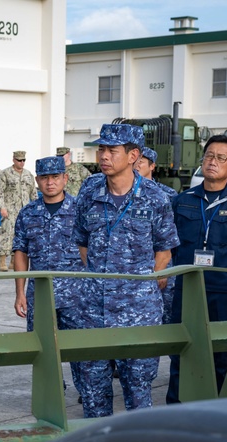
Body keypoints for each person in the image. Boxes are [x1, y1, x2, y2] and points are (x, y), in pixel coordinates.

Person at [73, 123, 179, 418]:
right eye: (101, 149)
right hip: (94, 311)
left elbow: (164, 251)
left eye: (112, 150)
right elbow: (82, 242)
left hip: (139, 313)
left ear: (133, 156)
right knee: (93, 394)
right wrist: (100, 280)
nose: (104, 156)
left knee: (138, 392)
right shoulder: (89, 191)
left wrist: (140, 288)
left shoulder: (155, 197)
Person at [166, 134, 227, 404]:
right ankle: (177, 412)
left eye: (221, 158)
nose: (213, 162)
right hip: (187, 288)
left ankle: (218, 414)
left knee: (221, 357)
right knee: (182, 351)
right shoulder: (183, 201)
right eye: (209, 156)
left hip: (225, 290)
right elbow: (168, 246)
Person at [12, 155, 84, 398]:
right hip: (40, 296)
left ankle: (89, 394)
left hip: (77, 296)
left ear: (65, 178)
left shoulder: (80, 211)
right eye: (44, 178)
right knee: (43, 349)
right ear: (37, 181)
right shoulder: (27, 214)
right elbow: (20, 252)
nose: (50, 183)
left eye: (55, 177)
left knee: (80, 351)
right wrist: (20, 292)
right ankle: (52, 394)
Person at [135, 146, 180, 324]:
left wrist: (163, 269)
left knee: (165, 313)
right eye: (135, 161)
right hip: (138, 263)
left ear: (152, 166)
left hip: (163, 260)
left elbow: (170, 235)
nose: (137, 165)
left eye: (142, 162)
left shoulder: (167, 194)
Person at [0, 150, 37, 271]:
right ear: (14, 160)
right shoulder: (5, 174)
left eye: (23, 160)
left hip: (24, 210)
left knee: (21, 236)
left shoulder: (28, 175)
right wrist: (2, 207)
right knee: (8, 234)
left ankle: (14, 261)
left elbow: (33, 193)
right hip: (10, 209)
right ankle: (3, 260)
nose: (21, 163)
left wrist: (35, 208)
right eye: (19, 160)